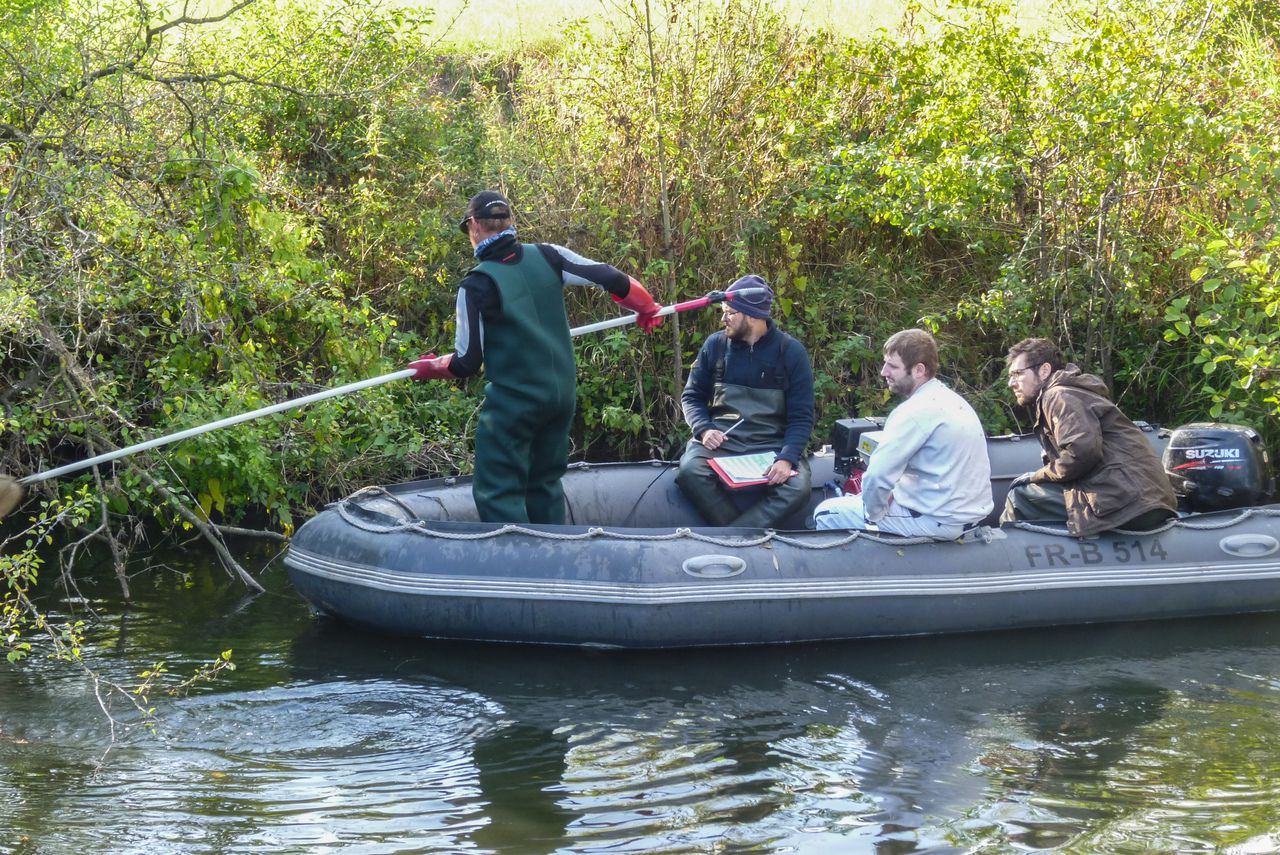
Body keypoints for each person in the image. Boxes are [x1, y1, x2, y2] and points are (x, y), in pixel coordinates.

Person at [408, 190, 664, 525]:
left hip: (514, 406)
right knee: (544, 483)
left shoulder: (475, 285)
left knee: (499, 490)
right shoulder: (549, 255)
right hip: (560, 398)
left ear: (474, 225)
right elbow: (611, 278)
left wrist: (430, 368)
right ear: (510, 221)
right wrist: (646, 307)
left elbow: (466, 362)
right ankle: (554, 550)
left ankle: (515, 555)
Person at [812, 329, 992, 539]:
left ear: (919, 370)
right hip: (965, 516)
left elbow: (878, 476)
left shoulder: (913, 411)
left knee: (825, 513)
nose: (884, 372)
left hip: (936, 520)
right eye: (885, 364)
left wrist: (872, 514)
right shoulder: (953, 401)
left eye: (893, 366)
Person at [675, 275, 814, 528]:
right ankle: (744, 536)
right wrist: (704, 429)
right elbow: (691, 397)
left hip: (772, 444)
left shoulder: (791, 352)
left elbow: (802, 418)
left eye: (730, 313)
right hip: (723, 443)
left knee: (798, 488)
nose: (723, 319)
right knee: (690, 470)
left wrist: (786, 458)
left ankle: (733, 536)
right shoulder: (715, 345)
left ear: (752, 316)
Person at [1000, 337, 1176, 535]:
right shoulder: (1073, 392)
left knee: (1020, 496)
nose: (1011, 383)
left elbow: (1082, 452)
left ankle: (1005, 550)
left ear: (1044, 370)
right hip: (1143, 500)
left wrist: (1037, 476)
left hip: (1127, 503)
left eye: (1017, 374)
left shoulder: (1059, 395)